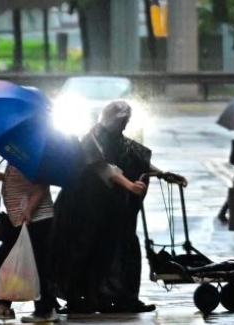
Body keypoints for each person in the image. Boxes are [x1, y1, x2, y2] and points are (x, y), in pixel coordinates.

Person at [51, 101, 185, 314]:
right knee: (85, 250)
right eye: (122, 121)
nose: (125, 126)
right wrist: (130, 185)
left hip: (110, 206)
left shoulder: (119, 139)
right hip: (84, 207)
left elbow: (138, 161)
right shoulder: (91, 138)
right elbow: (105, 168)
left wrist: (164, 175)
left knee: (124, 248)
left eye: (127, 122)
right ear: (111, 119)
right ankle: (80, 299)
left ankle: (122, 298)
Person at [0, 163, 58, 323]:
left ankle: (45, 310)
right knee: (5, 260)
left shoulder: (33, 158)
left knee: (37, 265)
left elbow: (41, 185)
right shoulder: (18, 157)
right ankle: (3, 306)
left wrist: (29, 210)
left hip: (35, 220)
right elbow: (20, 181)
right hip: (19, 221)